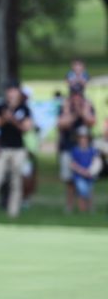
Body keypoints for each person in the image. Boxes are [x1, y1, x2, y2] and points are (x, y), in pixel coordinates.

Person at [0, 84, 32, 218]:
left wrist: (13, 119)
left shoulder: (24, 108)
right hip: (2, 149)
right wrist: (5, 117)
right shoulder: (1, 107)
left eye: (14, 91)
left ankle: (13, 212)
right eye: (9, 91)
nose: (11, 94)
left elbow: (26, 128)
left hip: (18, 149)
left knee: (16, 182)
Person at [56, 83, 95, 213]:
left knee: (87, 178)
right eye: (74, 94)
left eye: (79, 94)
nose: (76, 98)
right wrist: (71, 113)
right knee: (69, 180)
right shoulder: (65, 107)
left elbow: (91, 121)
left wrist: (82, 111)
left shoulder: (87, 106)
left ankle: (87, 207)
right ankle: (70, 206)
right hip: (68, 147)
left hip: (84, 150)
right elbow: (61, 124)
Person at [70, 126, 98, 213]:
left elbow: (96, 161)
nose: (83, 140)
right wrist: (81, 171)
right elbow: (72, 164)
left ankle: (90, 208)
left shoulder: (92, 150)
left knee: (89, 191)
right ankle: (82, 209)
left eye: (85, 138)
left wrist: (91, 171)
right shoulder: (75, 150)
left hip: (89, 175)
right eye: (81, 138)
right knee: (82, 191)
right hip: (79, 176)